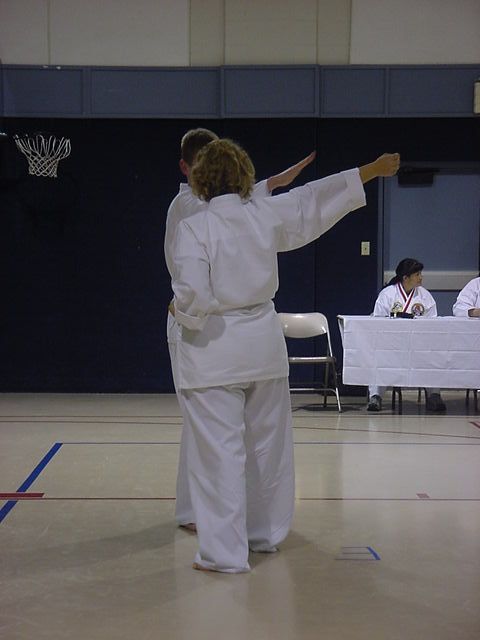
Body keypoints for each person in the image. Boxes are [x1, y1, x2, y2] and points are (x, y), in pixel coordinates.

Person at [170, 138, 400, 572]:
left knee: (218, 455)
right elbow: (312, 201)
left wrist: (179, 311)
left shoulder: (194, 227)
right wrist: (368, 170)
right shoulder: (263, 213)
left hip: (213, 351)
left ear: (200, 180)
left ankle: (223, 554)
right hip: (262, 345)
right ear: (244, 176)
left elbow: (194, 295)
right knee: (267, 449)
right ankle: (264, 535)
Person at [165, 128, 317, 532]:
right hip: (218, 327)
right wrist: (273, 185)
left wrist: (274, 184)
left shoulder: (220, 213)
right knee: (222, 436)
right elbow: (289, 207)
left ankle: (231, 534)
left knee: (221, 440)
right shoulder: (187, 206)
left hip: (212, 328)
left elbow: (239, 209)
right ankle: (213, 518)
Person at [367, 258, 446, 412]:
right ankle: (375, 396)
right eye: (417, 274)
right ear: (405, 277)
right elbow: (378, 322)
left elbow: (433, 322)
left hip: (419, 345)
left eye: (420, 274)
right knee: (379, 356)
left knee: (433, 357)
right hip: (391, 345)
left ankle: (434, 395)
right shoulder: (387, 294)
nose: (421, 277)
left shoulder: (425, 296)